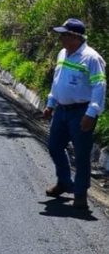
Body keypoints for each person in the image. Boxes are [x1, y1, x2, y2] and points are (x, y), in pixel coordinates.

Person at [43, 18, 106, 209]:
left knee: (81, 154)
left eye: (64, 35)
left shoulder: (91, 58)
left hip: (81, 112)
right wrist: (50, 103)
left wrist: (92, 113)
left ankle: (80, 194)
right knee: (54, 146)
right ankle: (64, 182)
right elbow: (57, 81)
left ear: (75, 37)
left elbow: (99, 86)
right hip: (61, 110)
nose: (60, 38)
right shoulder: (63, 53)